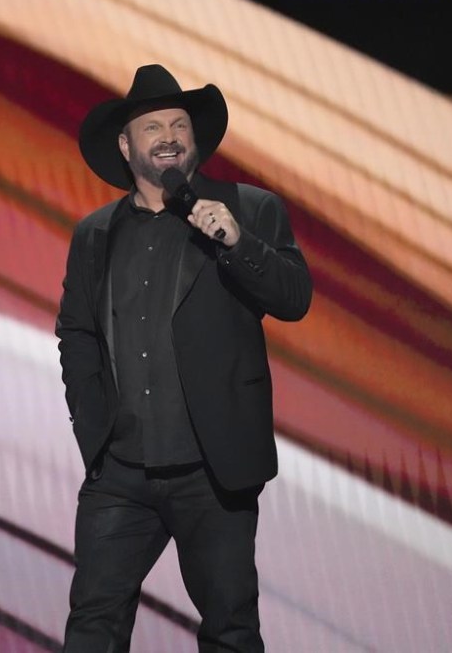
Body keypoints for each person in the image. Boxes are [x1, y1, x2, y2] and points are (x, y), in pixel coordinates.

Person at [56, 64, 312, 652]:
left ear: (194, 139)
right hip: (122, 472)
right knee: (93, 625)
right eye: (152, 127)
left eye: (179, 125)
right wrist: (93, 426)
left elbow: (294, 298)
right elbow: (77, 333)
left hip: (212, 470)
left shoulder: (248, 209)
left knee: (230, 630)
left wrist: (238, 243)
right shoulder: (95, 234)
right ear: (126, 147)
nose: (168, 136)